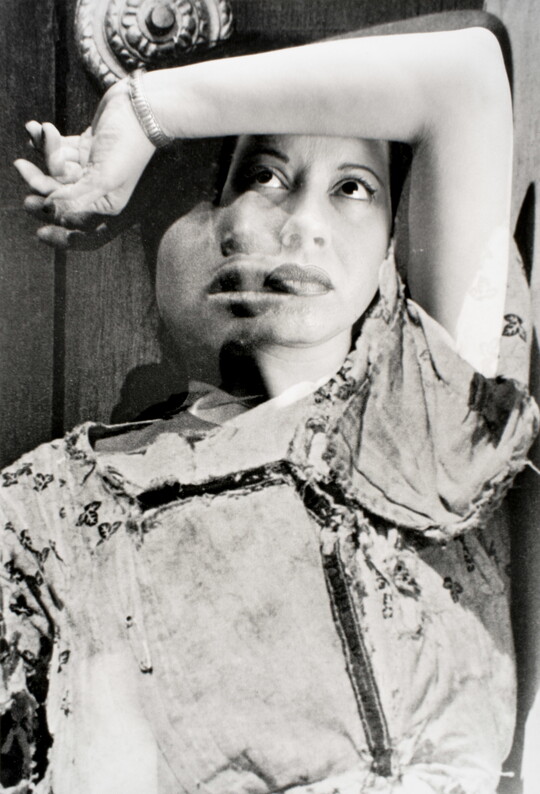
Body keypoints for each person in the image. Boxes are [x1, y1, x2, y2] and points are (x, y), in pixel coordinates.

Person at [2, 21, 538, 794]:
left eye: (354, 187)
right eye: (260, 175)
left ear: (396, 243)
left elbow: (469, 72)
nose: (302, 227)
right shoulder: (45, 507)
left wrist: (146, 108)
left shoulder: (416, 415)